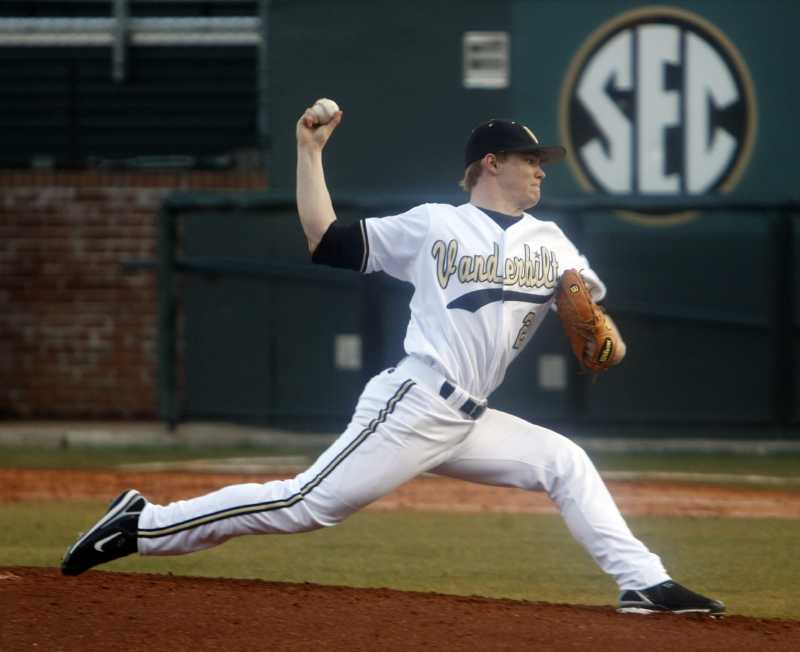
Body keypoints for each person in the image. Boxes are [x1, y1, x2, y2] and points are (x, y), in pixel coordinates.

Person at [61, 106, 724, 616]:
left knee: (564, 461)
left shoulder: (552, 242)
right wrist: (309, 152)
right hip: (416, 401)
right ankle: (143, 524)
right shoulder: (435, 223)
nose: (541, 169)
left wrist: (604, 337)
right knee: (307, 502)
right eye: (530, 159)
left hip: (471, 418)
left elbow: (600, 334)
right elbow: (325, 241)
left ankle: (644, 583)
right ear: (491, 163)